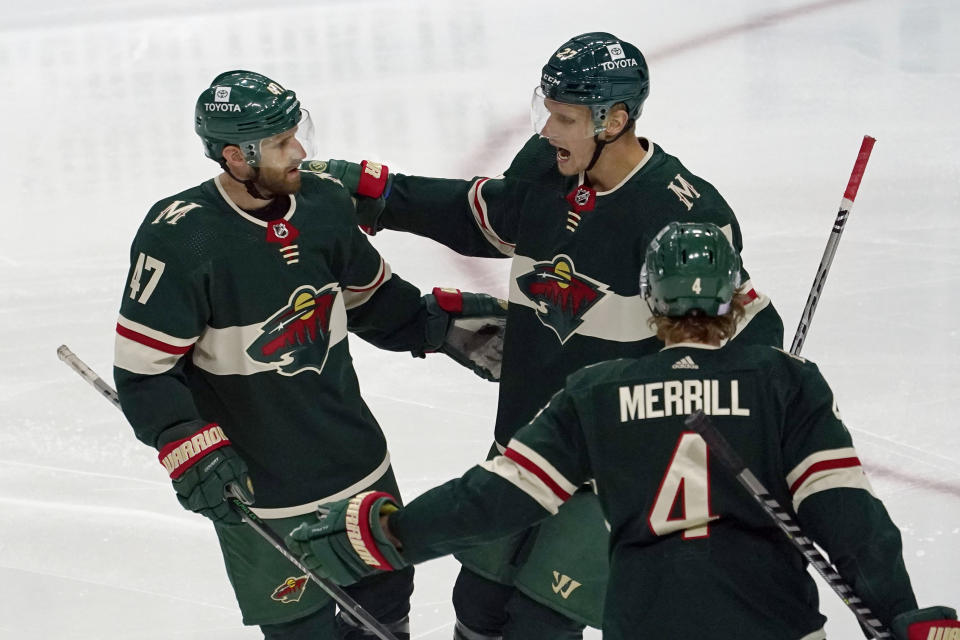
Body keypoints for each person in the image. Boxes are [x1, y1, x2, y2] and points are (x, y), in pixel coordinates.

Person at [286, 222, 960, 640]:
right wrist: (899, 613)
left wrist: (393, 535)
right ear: (734, 302)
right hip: (771, 621)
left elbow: (497, 499)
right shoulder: (785, 383)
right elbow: (848, 518)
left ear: (651, 303)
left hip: (646, 623)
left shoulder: (599, 391)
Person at [321, 32, 784, 639]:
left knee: (543, 622)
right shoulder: (547, 169)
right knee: (477, 604)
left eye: (564, 119)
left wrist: (760, 412)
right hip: (524, 443)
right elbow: (483, 214)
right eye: (548, 112)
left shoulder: (681, 215)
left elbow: (750, 332)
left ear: (615, 120)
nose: (546, 132)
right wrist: (381, 196)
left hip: (609, 469)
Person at [113, 70, 506, 640]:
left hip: (357, 465)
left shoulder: (322, 204)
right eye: (279, 143)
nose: (300, 151)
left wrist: (439, 326)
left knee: (388, 608)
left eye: (297, 133)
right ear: (235, 155)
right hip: (261, 490)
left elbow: (372, 302)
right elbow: (145, 371)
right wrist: (184, 441)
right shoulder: (181, 239)